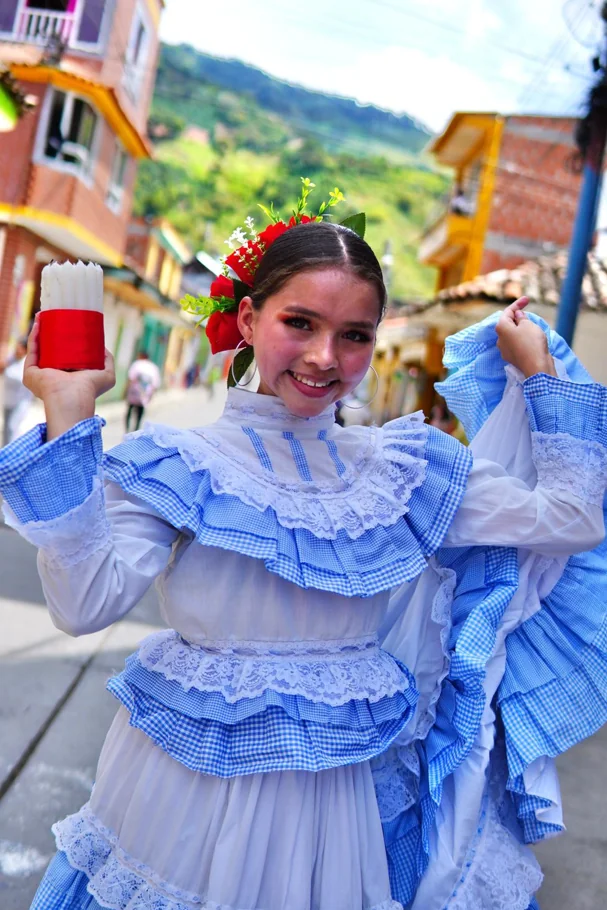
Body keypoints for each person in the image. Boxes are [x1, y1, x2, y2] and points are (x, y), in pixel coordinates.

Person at [0, 219, 606, 910]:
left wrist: (539, 374)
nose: (324, 357)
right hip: (181, 803)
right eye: (300, 322)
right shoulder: (179, 461)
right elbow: (83, 605)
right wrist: (69, 416)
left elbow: (569, 519)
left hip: (329, 820)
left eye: (354, 335)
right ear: (250, 318)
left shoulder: (404, 471)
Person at [1, 337, 34, 447]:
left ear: (25, 350)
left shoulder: (26, 363)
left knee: (12, 427)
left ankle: (11, 453)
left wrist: (5, 369)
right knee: (5, 428)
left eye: (20, 348)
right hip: (8, 399)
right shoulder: (11, 358)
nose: (17, 350)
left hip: (21, 402)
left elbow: (22, 379)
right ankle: (4, 451)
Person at [125, 350, 161, 432]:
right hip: (145, 393)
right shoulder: (153, 367)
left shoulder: (136, 364)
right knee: (140, 412)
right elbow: (155, 383)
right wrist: (151, 396)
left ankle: (127, 429)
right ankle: (136, 429)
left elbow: (130, 378)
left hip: (134, 392)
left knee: (130, 410)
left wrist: (125, 391)